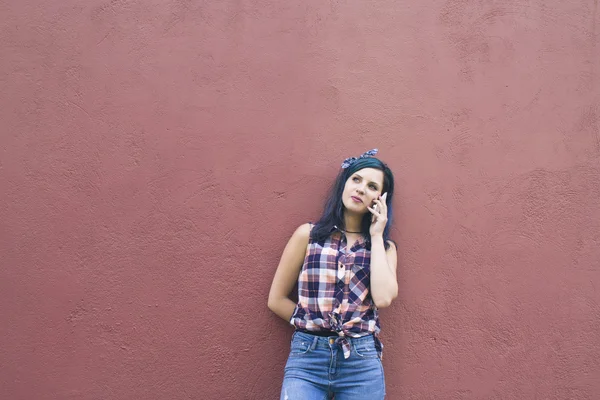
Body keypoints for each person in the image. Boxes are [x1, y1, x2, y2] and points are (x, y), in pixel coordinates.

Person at [268, 149, 398, 400]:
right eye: (356, 180)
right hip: (307, 358)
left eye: (372, 186)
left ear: (380, 199)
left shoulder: (384, 249)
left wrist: (376, 234)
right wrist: (311, 323)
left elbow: (382, 299)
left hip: (361, 363)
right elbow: (276, 300)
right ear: (344, 183)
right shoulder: (308, 235)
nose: (361, 189)